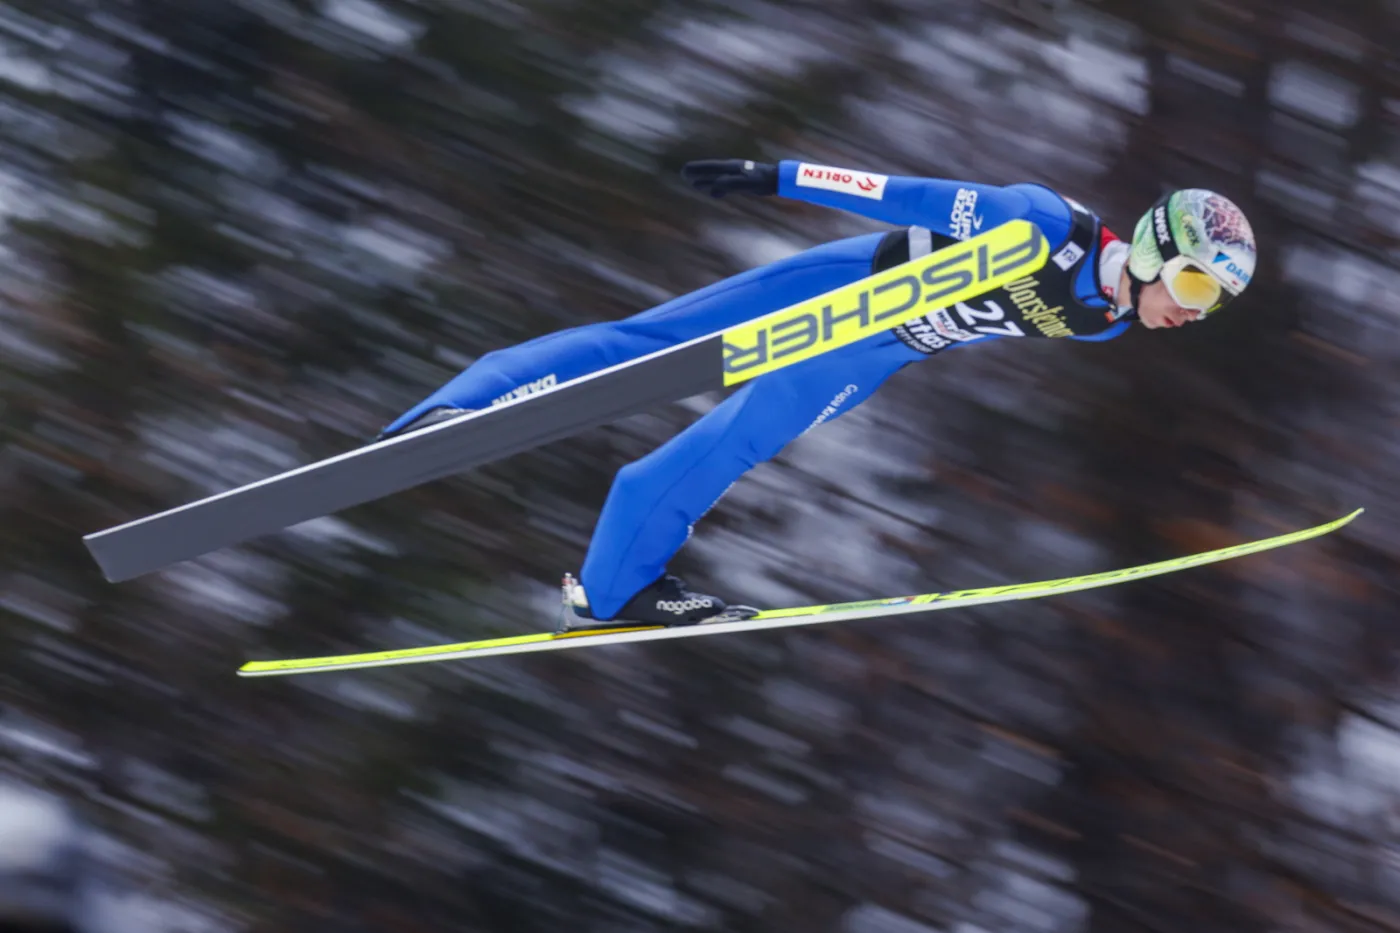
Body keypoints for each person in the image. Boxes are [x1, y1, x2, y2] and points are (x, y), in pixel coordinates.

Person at [378, 159, 1258, 627]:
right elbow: (901, 194)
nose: (1190, 312)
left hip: (872, 355)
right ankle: (456, 410)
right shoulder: (1041, 225)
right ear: (1150, 248)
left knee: (727, 449)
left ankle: (610, 593)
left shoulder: (1106, 319)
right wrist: (779, 176)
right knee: (647, 344)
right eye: (1190, 287)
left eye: (1211, 305)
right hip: (841, 293)